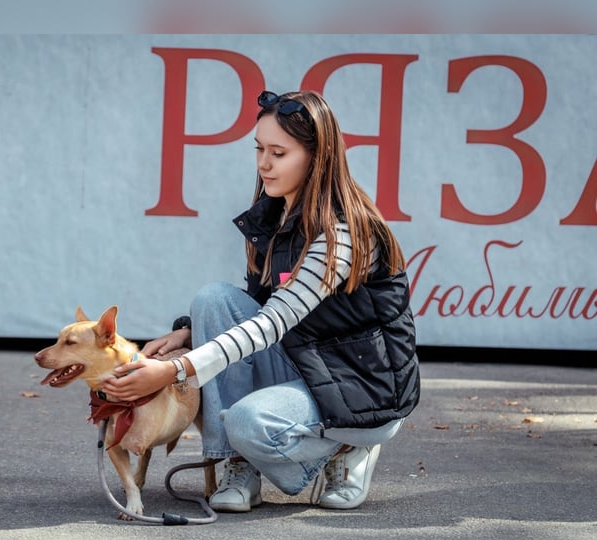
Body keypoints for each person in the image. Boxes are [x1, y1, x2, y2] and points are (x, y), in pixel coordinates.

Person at [101, 90, 420, 513]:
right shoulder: (275, 216)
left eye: (278, 152)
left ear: (317, 157)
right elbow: (259, 304)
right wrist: (188, 333)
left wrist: (173, 370)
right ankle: (236, 464)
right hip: (311, 361)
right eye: (259, 148)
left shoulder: (343, 232)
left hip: (363, 387)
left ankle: (347, 446)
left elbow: (272, 323)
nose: (263, 163)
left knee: (248, 423)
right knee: (212, 300)